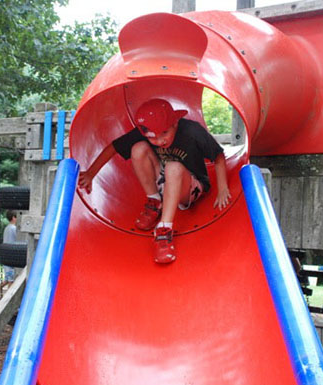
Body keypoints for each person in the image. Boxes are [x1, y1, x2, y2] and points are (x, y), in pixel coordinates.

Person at [78, 98, 230, 264]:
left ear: (175, 123)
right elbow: (114, 147)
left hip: (191, 186)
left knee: (173, 167)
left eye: (164, 133)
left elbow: (218, 156)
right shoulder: (146, 131)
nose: (160, 141)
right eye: (153, 138)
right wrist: (91, 173)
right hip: (166, 179)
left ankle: (164, 229)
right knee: (138, 149)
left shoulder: (192, 131)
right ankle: (155, 200)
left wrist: (223, 188)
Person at [0, 210, 17, 302]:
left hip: (7, 255)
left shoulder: (7, 228)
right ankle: (9, 300)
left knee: (9, 277)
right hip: (12, 256)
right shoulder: (14, 228)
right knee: (11, 280)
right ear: (14, 217)